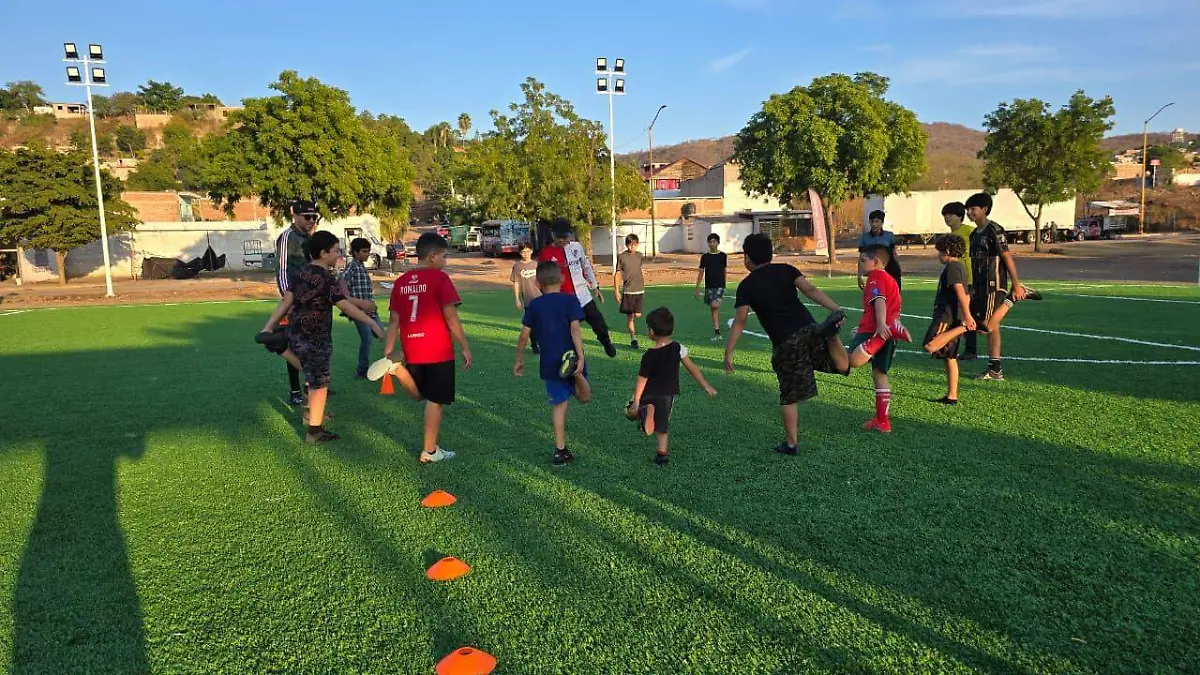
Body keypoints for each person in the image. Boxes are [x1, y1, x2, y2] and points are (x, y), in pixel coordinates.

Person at [725, 233, 848, 456]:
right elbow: (810, 290)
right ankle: (832, 337)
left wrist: (729, 352)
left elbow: (740, 320)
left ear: (747, 258)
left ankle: (791, 444)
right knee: (839, 366)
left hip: (786, 341)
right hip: (809, 328)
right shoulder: (786, 269)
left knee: (789, 394)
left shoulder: (746, 286)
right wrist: (836, 309)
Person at [260, 231, 383, 444]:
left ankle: (282, 348)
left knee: (310, 374)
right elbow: (344, 305)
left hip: (296, 331)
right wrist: (372, 323)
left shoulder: (302, 273)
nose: (339, 255)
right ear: (323, 253)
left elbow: (286, 302)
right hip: (316, 336)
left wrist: (268, 328)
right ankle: (314, 432)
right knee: (320, 383)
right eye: (335, 250)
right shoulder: (326, 278)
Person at [384, 232, 473, 464]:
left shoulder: (401, 282)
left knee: (421, 395)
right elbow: (451, 316)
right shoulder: (440, 279)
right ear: (433, 256)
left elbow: (394, 320)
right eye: (444, 256)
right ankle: (430, 451)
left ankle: (398, 370)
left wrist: (388, 352)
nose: (446, 261)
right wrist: (464, 346)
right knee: (435, 399)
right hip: (437, 349)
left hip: (412, 347)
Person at [514, 261, 593, 467]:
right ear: (562, 279)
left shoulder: (535, 306)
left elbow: (524, 336)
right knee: (585, 398)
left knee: (560, 406)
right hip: (572, 357)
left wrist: (520, 360)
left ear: (537, 283)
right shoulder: (571, 301)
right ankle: (576, 375)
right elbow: (575, 330)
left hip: (550, 364)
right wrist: (580, 357)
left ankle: (560, 451)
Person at [965, 192, 1042, 381]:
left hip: (994, 283)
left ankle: (1012, 297)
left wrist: (1015, 283)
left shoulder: (994, 230)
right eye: (968, 209)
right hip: (980, 286)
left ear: (984, 209)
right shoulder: (974, 234)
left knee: (985, 327)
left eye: (973, 209)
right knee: (993, 327)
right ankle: (995, 369)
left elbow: (1006, 256)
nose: (970, 213)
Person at [625, 307, 717, 466]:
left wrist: (637, 399)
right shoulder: (678, 348)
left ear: (652, 331)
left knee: (629, 410)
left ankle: (642, 411)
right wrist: (705, 385)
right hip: (668, 393)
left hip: (650, 393)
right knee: (663, 423)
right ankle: (662, 455)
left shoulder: (649, 355)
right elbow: (692, 368)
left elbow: (642, 379)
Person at [844, 246, 912, 433]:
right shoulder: (890, 279)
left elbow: (879, 300)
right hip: (888, 328)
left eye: (863, 260)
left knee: (852, 361)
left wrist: (881, 325)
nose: (860, 264)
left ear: (876, 262)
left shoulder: (876, 276)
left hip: (878, 330)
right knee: (879, 374)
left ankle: (883, 336)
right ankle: (883, 421)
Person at [537, 218, 617, 358]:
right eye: (559, 237)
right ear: (553, 235)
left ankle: (606, 341)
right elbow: (541, 278)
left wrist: (595, 287)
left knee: (599, 323)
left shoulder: (576, 247)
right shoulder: (546, 253)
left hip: (583, 296)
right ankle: (570, 356)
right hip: (563, 301)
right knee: (568, 332)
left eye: (565, 237)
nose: (562, 240)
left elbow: (586, 267)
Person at [268, 199, 320, 405]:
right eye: (307, 217)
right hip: (295, 304)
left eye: (314, 217)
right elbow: (281, 272)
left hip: (313, 303)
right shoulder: (287, 237)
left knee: (313, 347)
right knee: (296, 347)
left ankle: (313, 387)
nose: (311, 220)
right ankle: (296, 391)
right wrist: (289, 302)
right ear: (295, 216)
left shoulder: (311, 238)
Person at [922, 235, 976, 404]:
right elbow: (966, 294)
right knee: (949, 356)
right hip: (954, 314)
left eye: (939, 251)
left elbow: (960, 291)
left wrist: (966, 318)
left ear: (947, 251)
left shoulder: (952, 266)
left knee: (930, 345)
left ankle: (965, 328)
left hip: (947, 315)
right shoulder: (959, 266)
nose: (938, 255)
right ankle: (952, 395)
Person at [341, 237, 384, 379]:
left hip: (370, 310)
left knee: (381, 334)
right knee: (367, 339)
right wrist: (351, 300)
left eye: (368, 251)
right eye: (364, 251)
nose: (367, 254)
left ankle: (388, 365)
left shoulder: (360, 266)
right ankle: (361, 371)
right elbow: (341, 281)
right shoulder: (352, 266)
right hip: (359, 312)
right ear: (355, 252)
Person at [941, 201, 978, 360]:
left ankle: (971, 349)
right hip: (957, 279)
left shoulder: (970, 232)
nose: (947, 218)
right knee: (956, 314)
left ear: (960, 216)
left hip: (969, 279)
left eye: (951, 214)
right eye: (945, 215)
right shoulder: (949, 237)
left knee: (967, 314)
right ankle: (950, 346)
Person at [615, 233, 647, 350]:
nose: (631, 247)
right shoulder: (621, 257)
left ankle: (634, 333)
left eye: (633, 245)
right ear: (626, 245)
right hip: (628, 291)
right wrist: (616, 291)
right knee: (630, 317)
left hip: (639, 290)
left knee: (637, 314)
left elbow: (640, 269)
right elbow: (617, 273)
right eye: (629, 245)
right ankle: (633, 339)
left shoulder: (640, 256)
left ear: (637, 245)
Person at [695, 233, 728, 341]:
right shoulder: (705, 257)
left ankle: (718, 331)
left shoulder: (723, 256)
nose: (712, 243)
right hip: (709, 286)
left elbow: (724, 270)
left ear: (718, 242)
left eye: (714, 241)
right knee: (713, 310)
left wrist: (724, 284)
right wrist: (697, 287)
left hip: (719, 286)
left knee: (715, 305)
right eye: (710, 241)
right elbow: (701, 272)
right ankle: (717, 332)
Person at [858, 209, 902, 289]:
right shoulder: (865, 238)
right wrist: (859, 275)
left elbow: (894, 253)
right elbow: (862, 257)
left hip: (890, 269)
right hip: (874, 272)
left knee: (894, 293)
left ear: (882, 222)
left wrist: (898, 268)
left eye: (876, 221)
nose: (874, 224)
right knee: (876, 294)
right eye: (872, 221)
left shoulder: (889, 236)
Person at [510, 241, 541, 354]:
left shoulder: (536, 264)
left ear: (532, 251)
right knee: (531, 324)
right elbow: (516, 282)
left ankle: (544, 343)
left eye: (528, 251)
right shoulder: (517, 266)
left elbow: (543, 281)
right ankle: (534, 345)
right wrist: (517, 299)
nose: (526, 254)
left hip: (540, 297)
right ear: (519, 253)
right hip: (528, 300)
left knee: (542, 322)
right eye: (523, 252)